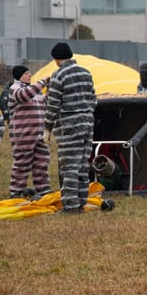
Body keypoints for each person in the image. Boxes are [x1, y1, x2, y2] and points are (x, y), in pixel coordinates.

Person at [44, 42, 97, 213]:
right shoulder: (86, 73)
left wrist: (47, 127)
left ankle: (71, 206)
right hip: (87, 123)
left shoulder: (58, 75)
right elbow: (93, 98)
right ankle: (81, 202)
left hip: (69, 125)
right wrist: (86, 114)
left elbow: (53, 104)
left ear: (56, 59)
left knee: (69, 167)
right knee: (83, 165)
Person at [8, 65, 51, 198]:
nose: (29, 75)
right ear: (19, 76)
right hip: (23, 134)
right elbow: (24, 96)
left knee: (42, 162)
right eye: (27, 74)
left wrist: (50, 88)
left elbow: (45, 101)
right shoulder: (15, 88)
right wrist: (43, 81)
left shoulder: (35, 91)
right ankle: (15, 192)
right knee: (22, 164)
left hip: (39, 133)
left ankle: (43, 189)